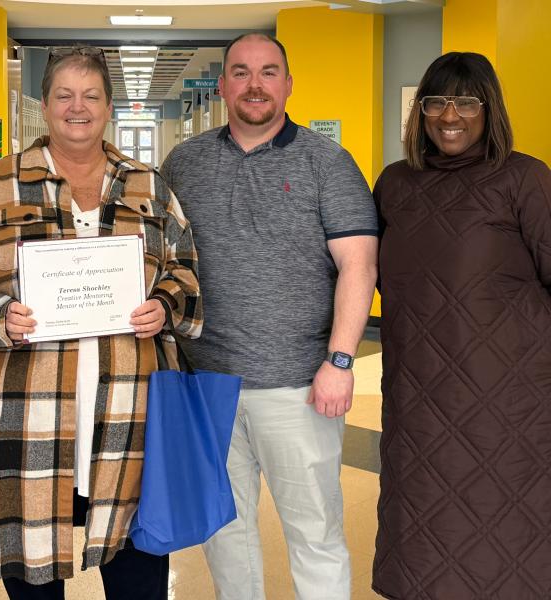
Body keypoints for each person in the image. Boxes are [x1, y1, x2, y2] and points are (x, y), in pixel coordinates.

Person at [0, 46, 202, 599]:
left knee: (139, 577)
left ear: (108, 107)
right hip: (21, 423)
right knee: (32, 578)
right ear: (44, 106)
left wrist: (164, 306)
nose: (78, 107)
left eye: (91, 96)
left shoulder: (149, 188)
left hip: (129, 422)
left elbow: (186, 272)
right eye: (64, 96)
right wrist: (0, 317)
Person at [161, 33, 378, 600]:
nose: (254, 84)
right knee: (225, 536)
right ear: (224, 84)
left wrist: (341, 361)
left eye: (267, 72)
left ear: (287, 83)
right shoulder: (185, 162)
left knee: (315, 532)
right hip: (205, 384)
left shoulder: (327, 162)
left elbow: (359, 265)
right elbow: (158, 258)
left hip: (299, 384)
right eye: (240, 72)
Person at [372, 52, 551, 599]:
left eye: (467, 101)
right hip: (417, 392)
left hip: (510, 401)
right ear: (419, 112)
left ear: (489, 109)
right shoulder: (396, 184)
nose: (450, 115)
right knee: (421, 534)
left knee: (511, 531)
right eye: (436, 101)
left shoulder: (525, 178)